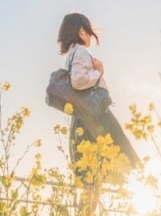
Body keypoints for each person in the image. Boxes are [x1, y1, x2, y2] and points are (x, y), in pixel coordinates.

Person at [56, 13, 140, 198]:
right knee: (115, 162)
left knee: (91, 179)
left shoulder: (71, 55)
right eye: (88, 30)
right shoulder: (80, 52)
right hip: (94, 118)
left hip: (83, 119)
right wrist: (98, 72)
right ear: (81, 31)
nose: (91, 35)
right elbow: (78, 82)